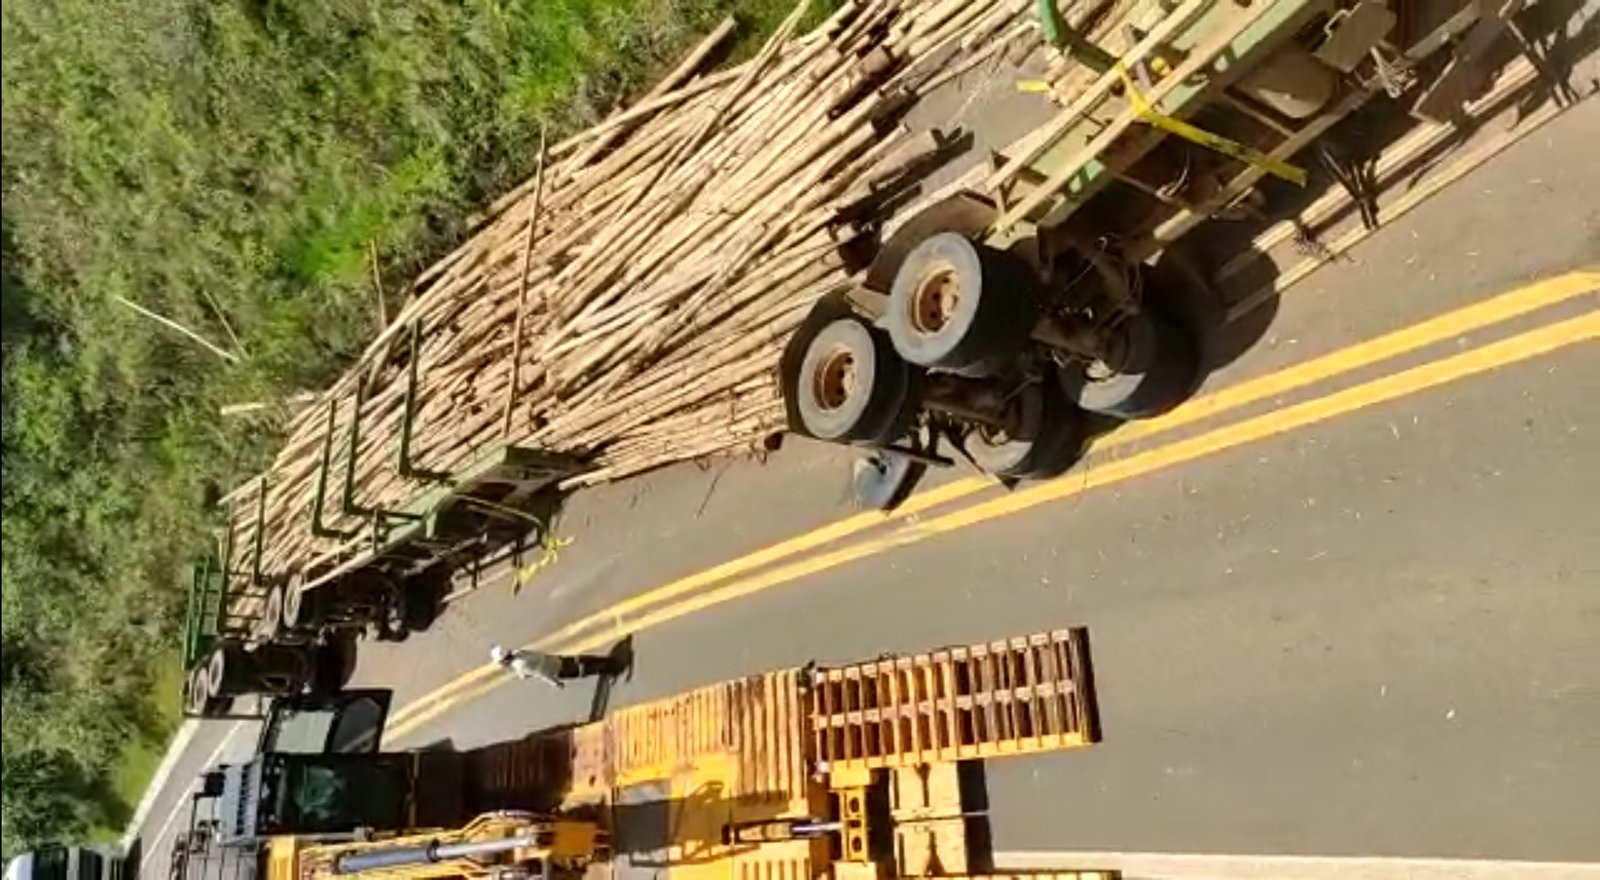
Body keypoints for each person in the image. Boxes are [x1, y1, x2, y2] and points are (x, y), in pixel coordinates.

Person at [489, 644, 619, 688]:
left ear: (504, 661)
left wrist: (555, 683)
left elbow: (540, 673)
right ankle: (607, 660)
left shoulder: (520, 666)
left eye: (501, 662)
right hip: (553, 659)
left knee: (581, 671)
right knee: (578, 660)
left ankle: (610, 669)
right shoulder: (518, 652)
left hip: (555, 670)